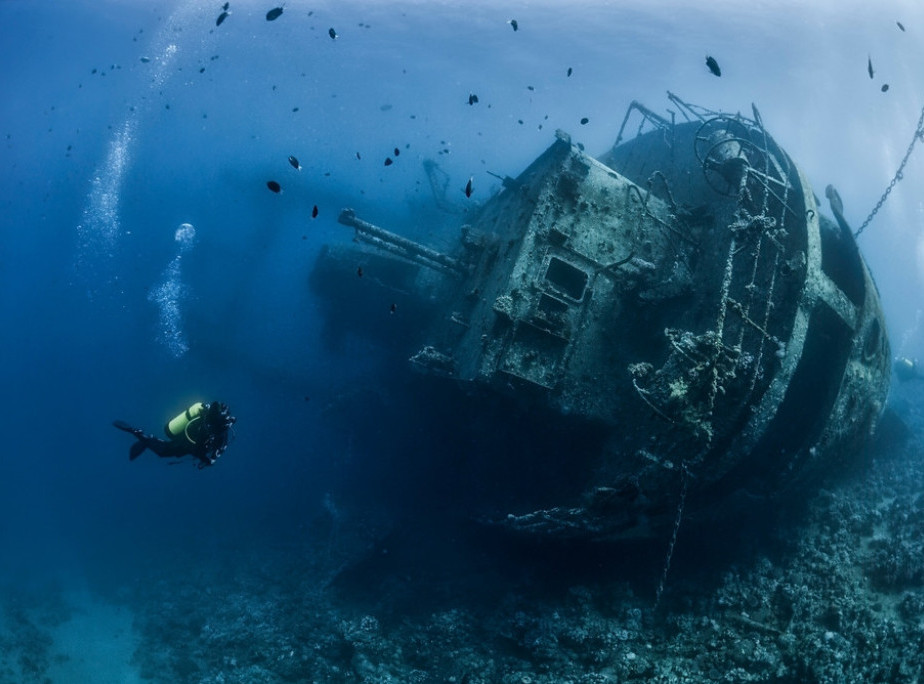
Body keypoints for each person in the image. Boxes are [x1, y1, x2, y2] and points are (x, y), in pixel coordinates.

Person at [114, 401, 236, 469]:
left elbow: (214, 449)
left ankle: (146, 438)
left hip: (186, 434)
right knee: (163, 451)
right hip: (187, 442)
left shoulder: (217, 429)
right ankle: (142, 436)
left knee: (166, 447)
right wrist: (207, 460)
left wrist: (210, 458)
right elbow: (199, 450)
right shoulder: (217, 432)